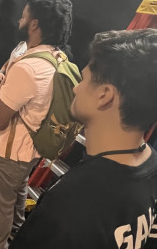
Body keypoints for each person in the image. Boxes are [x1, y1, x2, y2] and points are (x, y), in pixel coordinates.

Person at [10, 29, 157, 249]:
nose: (77, 88)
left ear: (104, 95)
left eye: (84, 79)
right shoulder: (151, 165)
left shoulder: (70, 208)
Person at [0, 0, 74, 249]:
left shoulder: (28, 66)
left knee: (0, 205)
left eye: (24, 16)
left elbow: (1, 119)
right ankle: (15, 232)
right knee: (18, 192)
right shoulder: (57, 57)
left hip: (9, 152)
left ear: (34, 23)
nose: (19, 20)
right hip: (31, 149)